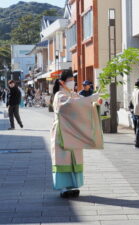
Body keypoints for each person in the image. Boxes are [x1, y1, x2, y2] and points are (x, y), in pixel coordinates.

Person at [51, 70, 100, 198]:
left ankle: (73, 185)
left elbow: (83, 103)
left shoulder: (72, 94)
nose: (73, 82)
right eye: (70, 80)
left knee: (73, 159)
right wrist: (90, 99)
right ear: (62, 82)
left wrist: (95, 102)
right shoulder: (59, 95)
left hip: (72, 131)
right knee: (64, 159)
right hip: (62, 131)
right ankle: (63, 187)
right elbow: (69, 105)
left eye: (73, 80)